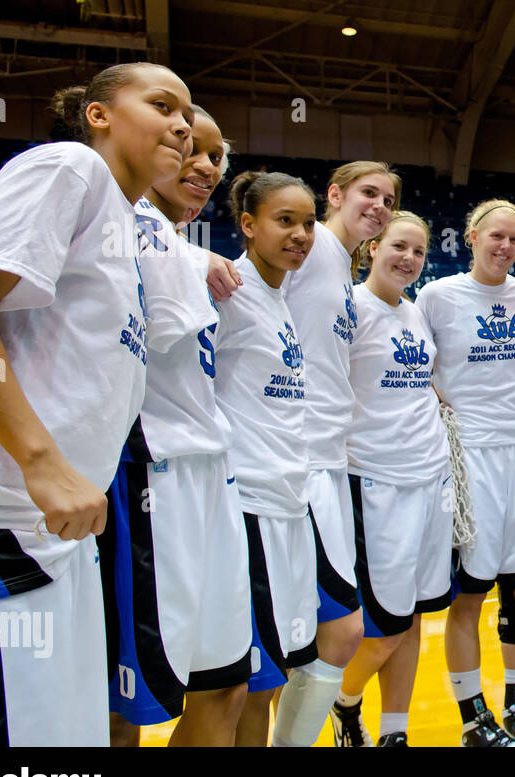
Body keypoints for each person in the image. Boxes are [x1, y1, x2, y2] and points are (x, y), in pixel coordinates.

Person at [0, 62, 191, 745]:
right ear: (99, 115)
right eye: (162, 104)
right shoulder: (70, 169)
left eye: (187, 112)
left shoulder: (130, 231)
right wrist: (41, 462)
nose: (180, 123)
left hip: (58, 539)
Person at [101, 106, 253, 747]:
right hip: (150, 478)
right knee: (129, 700)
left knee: (224, 683)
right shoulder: (118, 219)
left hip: (213, 476)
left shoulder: (187, 248)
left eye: (216, 156)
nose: (206, 166)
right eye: (192, 148)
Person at [415, 198, 515, 746]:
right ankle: (474, 718)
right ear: (471, 236)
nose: (505, 248)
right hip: (471, 458)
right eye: (496, 236)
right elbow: (409, 364)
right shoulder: (438, 296)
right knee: (470, 594)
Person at [282, 160, 400, 748]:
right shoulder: (312, 246)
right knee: (338, 629)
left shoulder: (342, 266)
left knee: (311, 631)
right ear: (335, 194)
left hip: (328, 461)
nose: (379, 204)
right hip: (294, 462)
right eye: (367, 192)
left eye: (388, 198)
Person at [331, 212, 452, 747]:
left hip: (431, 479)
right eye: (399, 246)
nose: (408, 258)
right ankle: (343, 702)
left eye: (419, 251)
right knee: (383, 629)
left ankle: (395, 733)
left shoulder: (417, 312)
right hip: (376, 480)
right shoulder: (349, 306)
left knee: (417, 617)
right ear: (373, 246)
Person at [214, 171, 321, 747]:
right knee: (246, 685)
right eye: (285, 221)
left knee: (276, 672)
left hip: (288, 502)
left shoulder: (280, 300)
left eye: (307, 223)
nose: (301, 234)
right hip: (246, 505)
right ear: (249, 225)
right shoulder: (226, 293)